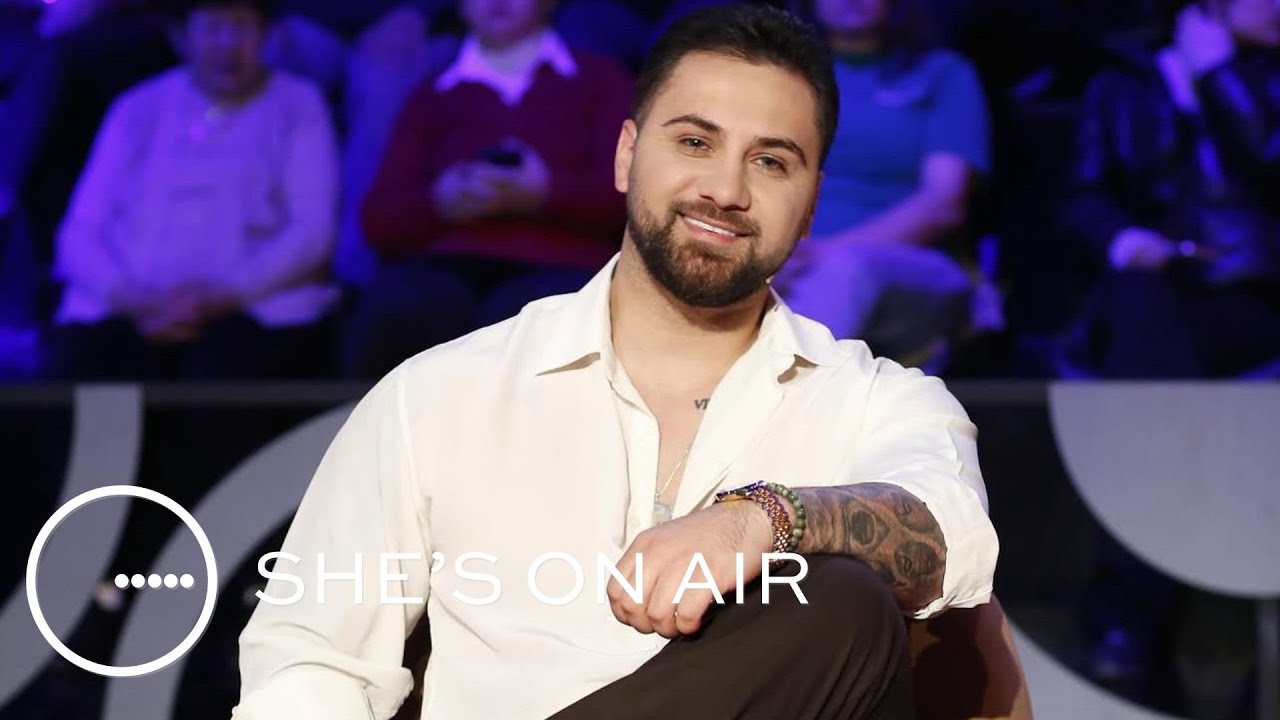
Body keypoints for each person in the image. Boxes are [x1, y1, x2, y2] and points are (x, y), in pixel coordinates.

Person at [235, 5, 998, 719]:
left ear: (811, 204)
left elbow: (953, 535)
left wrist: (765, 519)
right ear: (627, 154)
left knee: (841, 604)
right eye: (694, 143)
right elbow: (311, 658)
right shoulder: (439, 394)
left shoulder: (875, 401)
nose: (725, 189)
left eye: (771, 162)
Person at [44, 0, 340, 380]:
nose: (229, 44)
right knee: (94, 369)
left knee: (224, 374)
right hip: (129, 310)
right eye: (213, 27)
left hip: (253, 310)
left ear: (266, 35)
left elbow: (312, 230)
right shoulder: (136, 107)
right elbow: (80, 231)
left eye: (242, 27)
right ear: (181, 37)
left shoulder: (298, 105)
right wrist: (135, 300)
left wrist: (224, 296)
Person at [344, 0, 633, 379]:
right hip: (445, 265)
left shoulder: (601, 81)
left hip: (563, 264)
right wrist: (439, 202)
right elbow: (379, 217)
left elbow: (631, 199)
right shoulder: (432, 94)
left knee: (531, 317)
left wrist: (545, 192)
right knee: (399, 308)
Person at [1063, 0, 1280, 377]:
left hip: (1260, 291)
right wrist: (1124, 240)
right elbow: (1083, 195)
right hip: (1163, 287)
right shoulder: (1123, 80)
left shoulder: (1268, 79)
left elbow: (1270, 154)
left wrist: (1220, 75)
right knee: (1135, 300)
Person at [773, 0, 990, 365]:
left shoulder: (942, 74)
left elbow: (943, 202)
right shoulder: (776, 75)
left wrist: (822, 253)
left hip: (912, 267)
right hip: (784, 259)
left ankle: (789, 390)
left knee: (845, 270)